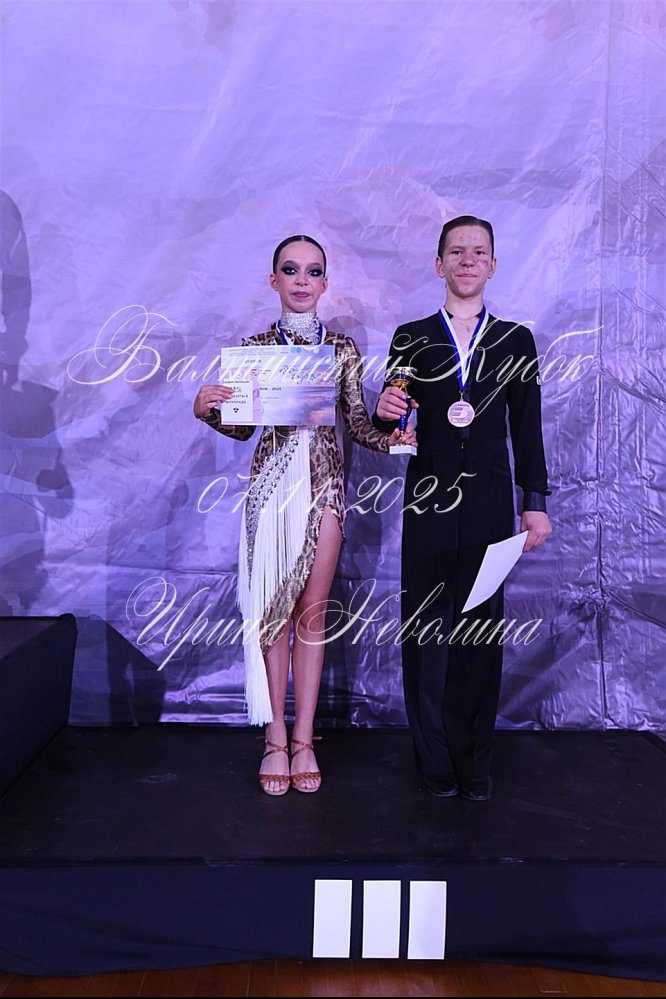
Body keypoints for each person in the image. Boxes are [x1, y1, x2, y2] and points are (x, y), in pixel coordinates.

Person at [194, 235, 413, 795]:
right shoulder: (256, 348)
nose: (301, 280)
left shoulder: (340, 349)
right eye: (290, 270)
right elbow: (242, 427)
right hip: (271, 493)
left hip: (325, 491)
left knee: (312, 616)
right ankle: (274, 739)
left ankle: (304, 740)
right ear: (274, 280)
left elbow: (357, 425)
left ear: (325, 283)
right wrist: (208, 410)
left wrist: (394, 438)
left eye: (313, 271)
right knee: (274, 617)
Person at [373, 215, 552, 801]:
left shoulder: (515, 340)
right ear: (439, 264)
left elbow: (528, 428)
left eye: (478, 252)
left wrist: (534, 502)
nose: (467, 260)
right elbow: (394, 423)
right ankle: (433, 759)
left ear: (493, 265)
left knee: (480, 629)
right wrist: (385, 410)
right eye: (456, 251)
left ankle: (474, 760)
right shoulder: (411, 337)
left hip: (490, 503)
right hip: (427, 499)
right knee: (426, 630)